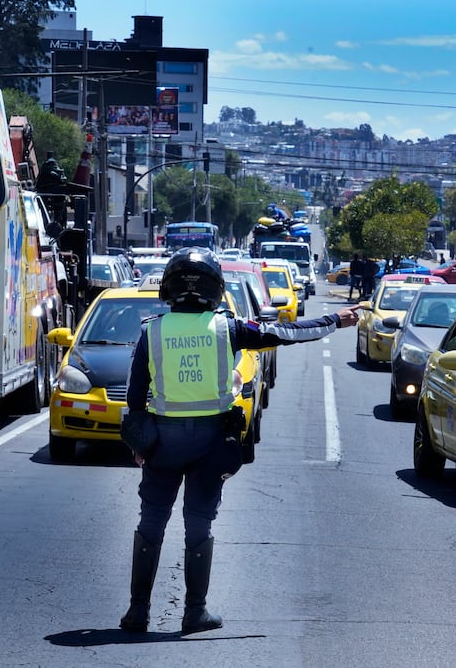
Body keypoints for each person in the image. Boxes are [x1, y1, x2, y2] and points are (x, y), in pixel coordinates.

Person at [119, 247, 360, 635]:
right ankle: (194, 612)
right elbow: (286, 333)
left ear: (168, 288)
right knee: (198, 524)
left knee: (151, 522)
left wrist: (138, 444)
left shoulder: (152, 331)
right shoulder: (226, 328)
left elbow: (135, 399)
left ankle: (137, 613)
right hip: (211, 443)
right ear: (216, 289)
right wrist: (335, 319)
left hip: (162, 444)